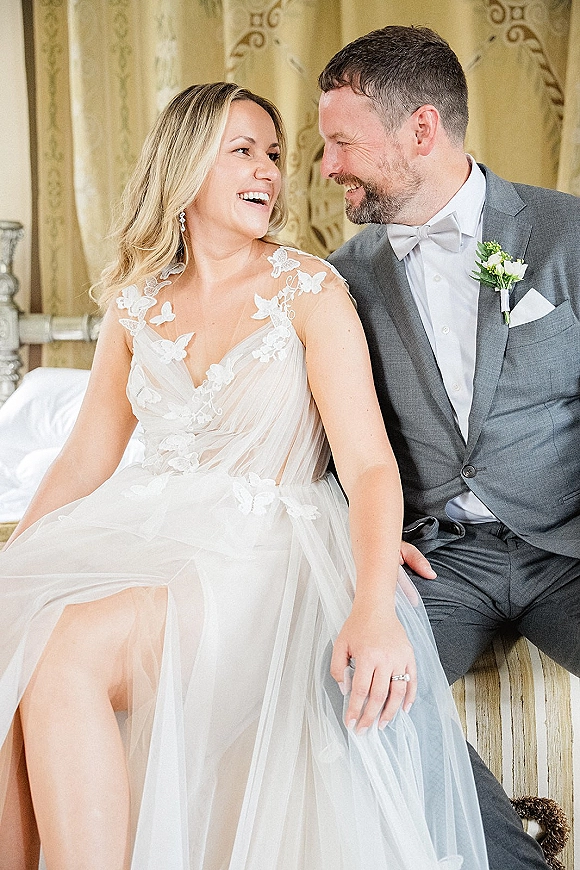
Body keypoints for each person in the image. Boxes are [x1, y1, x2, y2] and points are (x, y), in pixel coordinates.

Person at [0, 82, 487, 870]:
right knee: (10, 622)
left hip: (263, 556)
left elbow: (367, 463)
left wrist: (370, 598)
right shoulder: (135, 304)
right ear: (186, 168)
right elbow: (85, 458)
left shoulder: (308, 290)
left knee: (67, 648)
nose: (269, 170)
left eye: (272, 154)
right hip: (149, 530)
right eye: (243, 151)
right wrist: (15, 565)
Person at [318, 24, 580, 870]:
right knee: (346, 696)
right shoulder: (341, 279)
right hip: (440, 561)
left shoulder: (566, 235)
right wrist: (363, 538)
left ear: (421, 130)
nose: (328, 168)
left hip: (568, 547)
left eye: (341, 142)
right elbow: (330, 441)